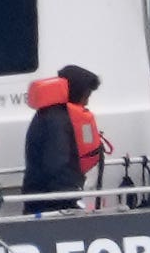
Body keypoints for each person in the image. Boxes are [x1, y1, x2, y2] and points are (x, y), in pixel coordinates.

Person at [22, 65, 98, 214]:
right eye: (86, 96)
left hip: (45, 197)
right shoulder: (57, 120)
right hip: (51, 202)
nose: (87, 102)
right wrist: (69, 194)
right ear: (76, 92)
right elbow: (56, 163)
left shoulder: (51, 115)